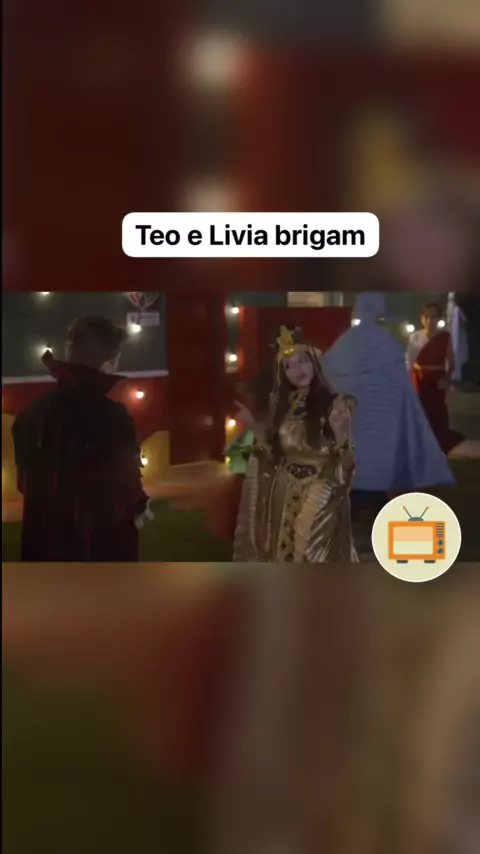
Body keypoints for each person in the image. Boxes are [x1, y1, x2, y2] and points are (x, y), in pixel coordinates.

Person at [12, 316, 151, 561]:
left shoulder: (30, 415)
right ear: (111, 358)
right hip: (97, 552)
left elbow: (24, 483)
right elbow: (125, 488)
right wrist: (139, 505)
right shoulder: (111, 417)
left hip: (43, 548)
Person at [232, 325, 358, 562]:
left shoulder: (336, 405)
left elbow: (347, 464)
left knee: (309, 551)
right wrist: (253, 426)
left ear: (314, 363)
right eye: (288, 366)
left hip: (320, 488)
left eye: (302, 361)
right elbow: (272, 456)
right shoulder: (283, 407)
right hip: (286, 489)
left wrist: (341, 432)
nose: (297, 370)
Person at [321, 293, 454, 503]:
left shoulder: (348, 341)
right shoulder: (384, 342)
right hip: (376, 413)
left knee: (364, 451)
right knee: (375, 453)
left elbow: (327, 369)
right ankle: (372, 493)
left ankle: (363, 493)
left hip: (365, 412)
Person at [406, 301, 464, 454]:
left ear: (438, 319)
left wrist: (446, 379)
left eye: (433, 317)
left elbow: (451, 363)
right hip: (419, 380)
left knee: (436, 414)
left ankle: (437, 448)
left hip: (437, 381)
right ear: (422, 318)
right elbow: (409, 364)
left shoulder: (444, 337)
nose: (429, 321)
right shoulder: (415, 337)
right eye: (426, 317)